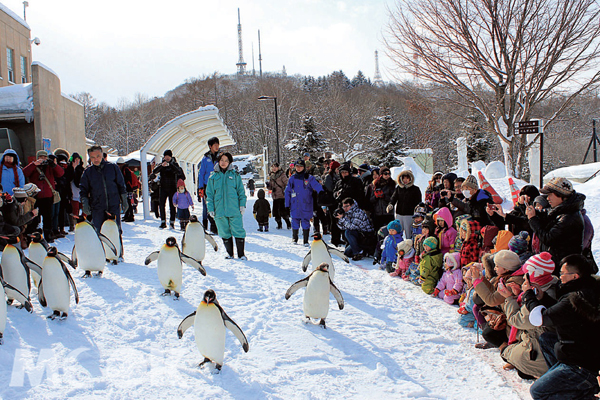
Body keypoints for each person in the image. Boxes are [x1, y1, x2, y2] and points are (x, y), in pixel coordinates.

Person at [523, 254, 600, 399]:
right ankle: (567, 385)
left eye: (563, 274)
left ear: (575, 276)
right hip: (584, 352)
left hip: (582, 363)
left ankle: (583, 392)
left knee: (538, 392)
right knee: (546, 339)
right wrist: (542, 298)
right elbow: (563, 312)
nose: (560, 277)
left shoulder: (575, 298)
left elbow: (539, 319)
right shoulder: (586, 290)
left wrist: (528, 296)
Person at [525, 177, 585, 274]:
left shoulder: (569, 217)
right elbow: (546, 216)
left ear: (561, 195)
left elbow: (548, 238)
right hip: (556, 263)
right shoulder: (560, 210)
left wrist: (533, 219)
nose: (547, 198)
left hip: (564, 268)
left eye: (550, 195)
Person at [206, 152, 247, 260]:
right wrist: (210, 208)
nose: (223, 162)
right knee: (224, 231)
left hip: (234, 209)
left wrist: (242, 205)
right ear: (218, 161)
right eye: (222, 160)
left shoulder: (235, 175)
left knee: (238, 230)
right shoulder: (213, 177)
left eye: (226, 160)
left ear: (229, 163)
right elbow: (209, 194)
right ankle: (230, 254)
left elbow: (241, 192)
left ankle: (241, 254)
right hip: (219, 210)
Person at [79, 146, 128, 233]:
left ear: (102, 155)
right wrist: (85, 203)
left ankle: (117, 246)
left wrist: (124, 200)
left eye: (98, 156)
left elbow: (121, 185)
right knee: (99, 232)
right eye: (93, 157)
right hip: (97, 207)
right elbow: (83, 190)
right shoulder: (88, 172)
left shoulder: (113, 168)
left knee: (115, 232)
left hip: (113, 206)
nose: (96, 159)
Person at [22, 150, 65, 242]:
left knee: (48, 217)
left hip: (47, 196)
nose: (43, 159)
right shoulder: (33, 166)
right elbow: (24, 173)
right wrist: (34, 164)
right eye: (41, 157)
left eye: (45, 157)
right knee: (34, 217)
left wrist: (53, 165)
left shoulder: (50, 167)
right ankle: (33, 235)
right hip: (35, 196)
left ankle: (48, 235)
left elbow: (61, 173)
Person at [284, 159, 323, 246]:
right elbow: (287, 192)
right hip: (295, 204)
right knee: (295, 221)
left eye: (300, 166)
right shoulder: (292, 178)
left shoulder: (309, 178)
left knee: (306, 221)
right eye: (297, 166)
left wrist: (321, 192)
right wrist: (287, 204)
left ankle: (305, 240)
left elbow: (317, 185)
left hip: (306, 203)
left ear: (304, 167)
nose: (298, 168)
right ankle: (295, 237)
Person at [153, 149, 185, 229]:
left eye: (168, 156)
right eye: (165, 156)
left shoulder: (174, 164)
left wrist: (170, 165)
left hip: (172, 188)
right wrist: (161, 166)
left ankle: (172, 222)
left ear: (171, 157)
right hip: (163, 187)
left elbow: (179, 172)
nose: (167, 158)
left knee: (172, 205)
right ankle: (163, 221)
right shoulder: (162, 164)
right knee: (161, 205)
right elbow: (154, 171)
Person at [387, 170, 422, 239]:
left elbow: (418, 202)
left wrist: (417, 214)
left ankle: (409, 246)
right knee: (397, 231)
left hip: (409, 214)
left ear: (410, 179)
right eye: (403, 178)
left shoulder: (415, 189)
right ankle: (396, 244)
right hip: (399, 214)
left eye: (407, 178)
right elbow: (394, 198)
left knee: (408, 233)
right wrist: (391, 204)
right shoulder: (399, 188)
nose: (405, 180)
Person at [197, 137, 220, 233]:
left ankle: (216, 225)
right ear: (210, 146)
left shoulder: (221, 157)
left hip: (218, 185)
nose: (217, 146)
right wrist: (200, 187)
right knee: (206, 205)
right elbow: (201, 173)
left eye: (218, 144)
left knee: (218, 205)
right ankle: (205, 225)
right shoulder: (205, 158)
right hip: (207, 185)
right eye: (214, 145)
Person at [369, 167, 397, 231]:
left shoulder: (392, 184)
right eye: (385, 173)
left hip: (388, 213)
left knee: (388, 231)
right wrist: (376, 196)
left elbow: (393, 199)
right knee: (378, 232)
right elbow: (371, 199)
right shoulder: (376, 184)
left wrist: (384, 196)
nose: (387, 175)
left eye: (389, 174)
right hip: (378, 213)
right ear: (381, 174)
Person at [267, 162, 291, 230]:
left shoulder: (282, 175)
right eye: (273, 167)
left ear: (278, 167)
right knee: (276, 212)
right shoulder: (271, 176)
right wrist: (269, 186)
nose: (274, 168)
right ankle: (279, 224)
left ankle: (288, 223)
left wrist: (284, 191)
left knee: (283, 212)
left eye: (275, 167)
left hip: (282, 196)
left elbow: (287, 184)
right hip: (275, 196)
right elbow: (270, 187)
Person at [117, 157, 137, 222]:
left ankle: (130, 216)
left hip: (127, 189)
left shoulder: (124, 170)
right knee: (127, 202)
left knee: (127, 203)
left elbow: (127, 180)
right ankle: (127, 215)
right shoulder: (126, 169)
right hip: (128, 189)